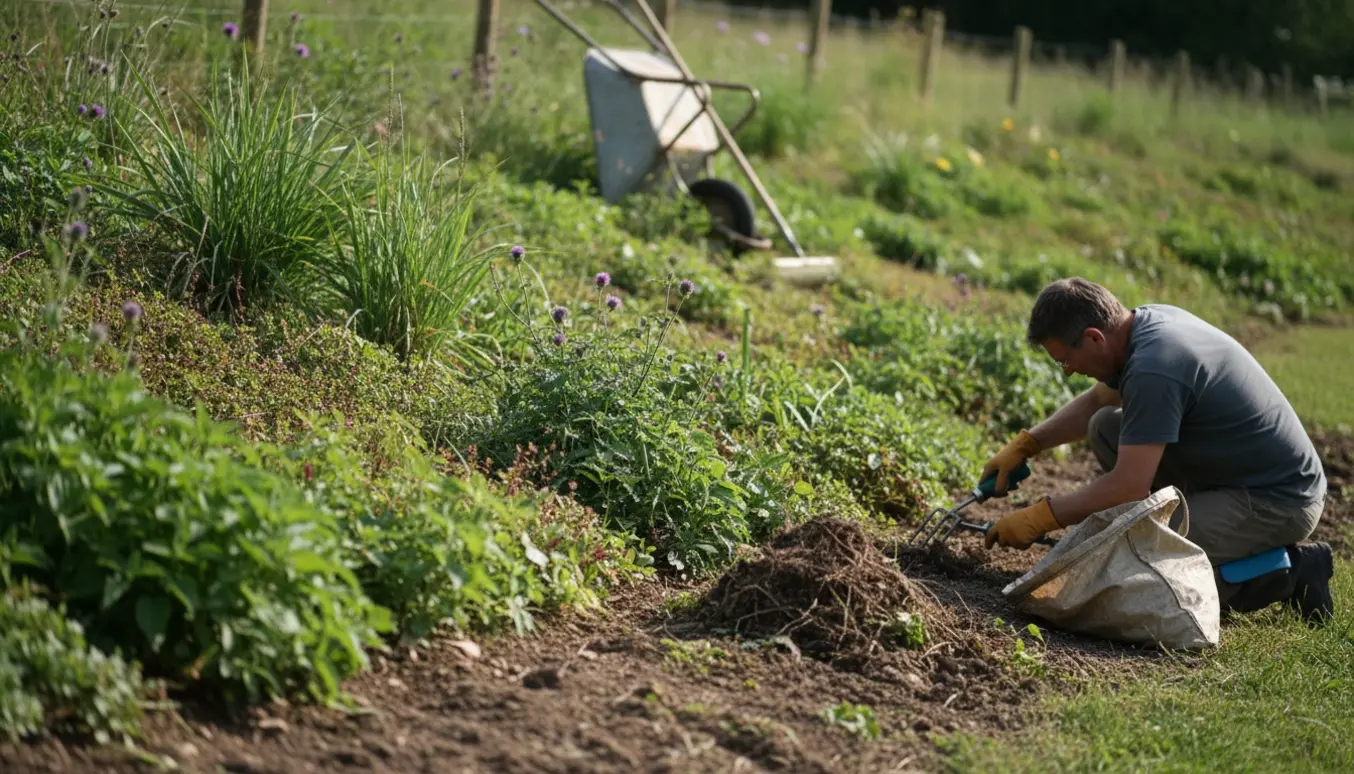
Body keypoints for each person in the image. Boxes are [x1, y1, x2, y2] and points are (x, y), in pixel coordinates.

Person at [981, 277, 1334, 625]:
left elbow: (1128, 486)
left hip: (1278, 499)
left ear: (1094, 338)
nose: (1069, 371)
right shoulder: (1141, 328)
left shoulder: (1155, 367)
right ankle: (1167, 527)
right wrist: (1027, 445)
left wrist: (1040, 517)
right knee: (1105, 426)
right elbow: (1097, 401)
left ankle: (1293, 572)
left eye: (1065, 360)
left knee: (1131, 571)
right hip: (1232, 472)